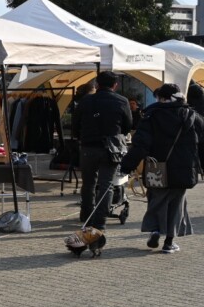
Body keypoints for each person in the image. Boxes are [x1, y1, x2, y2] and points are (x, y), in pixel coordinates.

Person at [120, 83, 204, 253]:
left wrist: (127, 165)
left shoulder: (151, 115)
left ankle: (155, 230)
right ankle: (169, 242)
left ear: (160, 98)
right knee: (177, 204)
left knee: (156, 200)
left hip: (156, 167)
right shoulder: (192, 116)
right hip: (184, 169)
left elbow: (141, 145)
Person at [71, 71, 132, 228]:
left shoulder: (85, 101)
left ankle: (86, 215)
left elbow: (75, 124)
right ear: (115, 85)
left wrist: (81, 137)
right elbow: (128, 125)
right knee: (106, 185)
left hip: (88, 146)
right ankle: (100, 221)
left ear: (97, 84)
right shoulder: (122, 101)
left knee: (88, 183)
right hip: (111, 148)